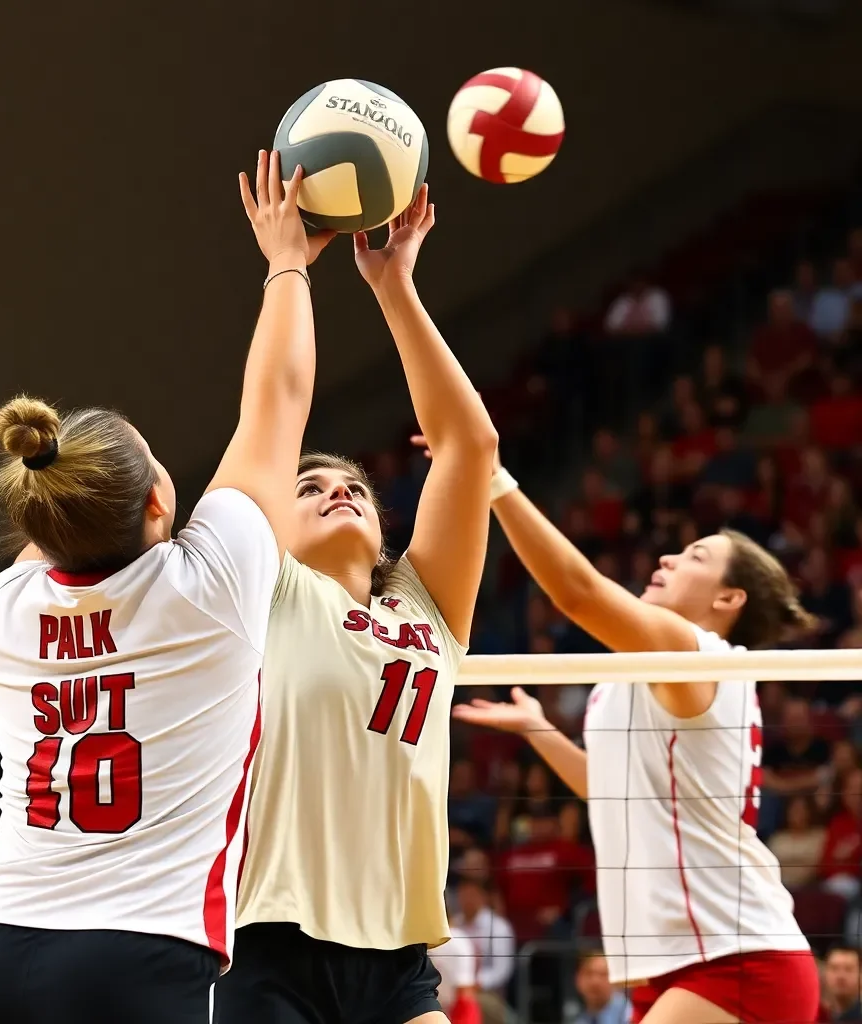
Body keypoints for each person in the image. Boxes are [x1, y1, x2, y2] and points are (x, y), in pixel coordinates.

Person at [0, 150, 335, 1024]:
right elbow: (279, 402)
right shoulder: (212, 587)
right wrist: (288, 263)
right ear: (160, 499)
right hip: (139, 953)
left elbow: (59, 530)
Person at [214, 186, 499, 1024]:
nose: (337, 491)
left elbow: (469, 446)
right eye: (310, 486)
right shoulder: (262, 588)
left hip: (398, 955)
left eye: (355, 489)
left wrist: (393, 286)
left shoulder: (427, 609)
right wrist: (288, 268)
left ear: (382, 537)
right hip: (263, 939)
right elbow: (271, 408)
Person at [442, 447, 819, 1024]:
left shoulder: (699, 656)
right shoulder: (632, 674)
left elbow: (578, 593)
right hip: (669, 961)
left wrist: (493, 480)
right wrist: (540, 730)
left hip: (738, 955)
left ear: (728, 598)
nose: (668, 556)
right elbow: (614, 789)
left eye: (695, 556)